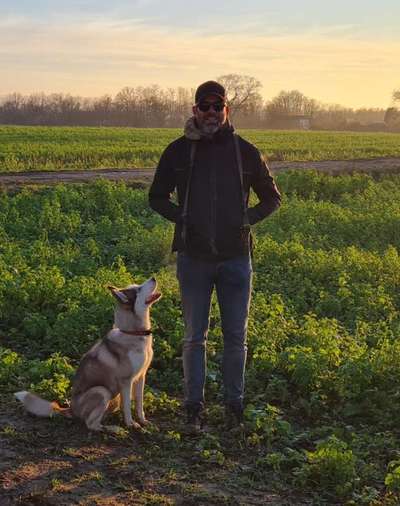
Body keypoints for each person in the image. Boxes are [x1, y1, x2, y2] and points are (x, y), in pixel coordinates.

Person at [149, 80, 281, 433]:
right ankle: (193, 409)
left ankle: (233, 409)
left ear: (227, 110)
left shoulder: (245, 151)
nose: (211, 113)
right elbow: (157, 197)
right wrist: (183, 217)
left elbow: (272, 197)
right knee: (194, 337)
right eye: (203, 107)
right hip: (193, 258)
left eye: (217, 106)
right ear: (194, 110)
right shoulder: (177, 151)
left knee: (235, 337)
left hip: (236, 258)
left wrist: (246, 220)